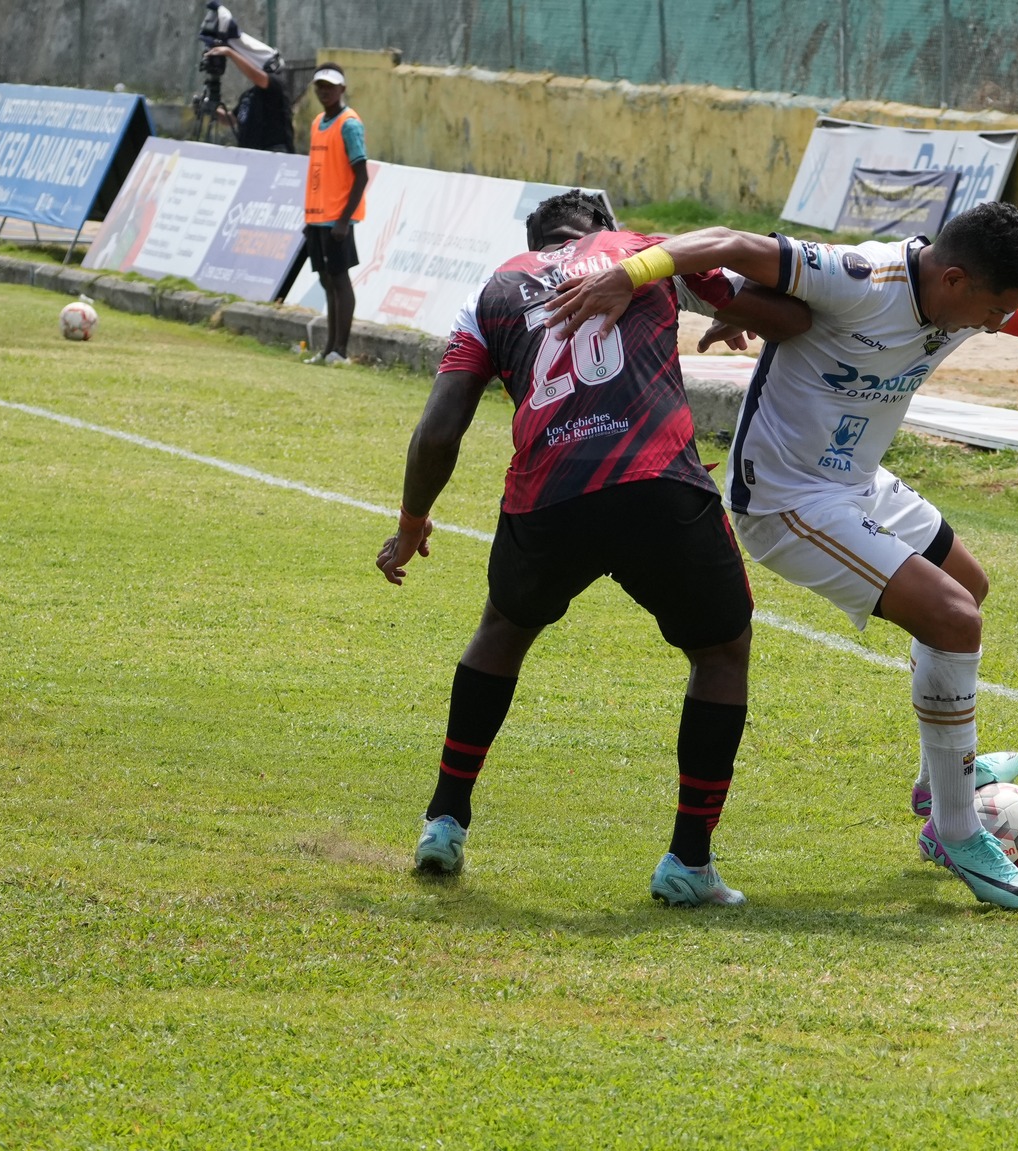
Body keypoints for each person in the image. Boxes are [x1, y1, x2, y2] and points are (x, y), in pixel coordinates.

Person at [543, 202, 1018, 911]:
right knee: (953, 620)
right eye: (992, 310)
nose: (996, 324)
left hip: (855, 483)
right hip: (789, 498)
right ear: (953, 280)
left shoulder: (963, 296)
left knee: (965, 588)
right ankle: (955, 827)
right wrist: (631, 273)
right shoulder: (859, 276)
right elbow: (731, 242)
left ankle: (937, 781)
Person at [374, 191, 812, 907]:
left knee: (501, 632)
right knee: (721, 651)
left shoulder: (491, 293)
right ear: (601, 228)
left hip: (549, 494)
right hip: (656, 481)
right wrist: (735, 311)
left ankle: (444, 820)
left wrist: (413, 522)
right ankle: (689, 862)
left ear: (536, 239)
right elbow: (790, 318)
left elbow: (438, 429)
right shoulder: (646, 247)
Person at [301, 64, 367, 365]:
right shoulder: (318, 122)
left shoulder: (349, 124)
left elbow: (361, 175)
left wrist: (343, 220)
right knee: (327, 281)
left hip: (337, 220)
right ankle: (328, 348)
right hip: (318, 217)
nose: (323, 91)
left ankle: (340, 349)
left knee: (340, 281)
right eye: (319, 86)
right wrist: (310, 219)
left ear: (341, 88)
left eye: (329, 86)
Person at [204, 39, 294, 153]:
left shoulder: (276, 86)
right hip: (250, 153)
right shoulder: (248, 95)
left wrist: (231, 53)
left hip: (273, 154)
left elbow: (257, 76)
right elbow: (232, 119)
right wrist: (214, 111)